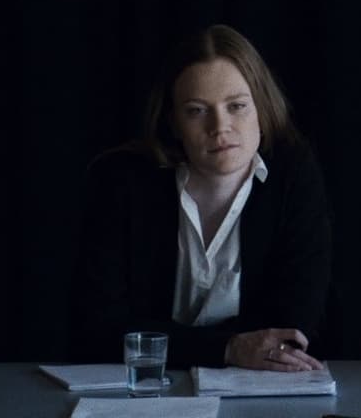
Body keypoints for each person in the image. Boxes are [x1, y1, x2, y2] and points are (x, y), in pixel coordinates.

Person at [71, 24, 332, 371]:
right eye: (196, 110)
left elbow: (293, 331)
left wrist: (176, 343)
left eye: (237, 106)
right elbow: (98, 329)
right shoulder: (121, 180)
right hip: (144, 388)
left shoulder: (294, 175)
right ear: (174, 122)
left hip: (259, 386)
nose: (219, 127)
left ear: (262, 108)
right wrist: (228, 348)